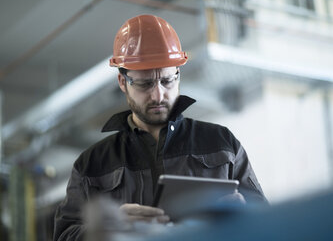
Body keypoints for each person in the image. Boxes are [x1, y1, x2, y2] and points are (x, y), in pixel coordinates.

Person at [54, 14, 267, 241]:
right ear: (122, 82)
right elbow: (63, 236)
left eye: (167, 81)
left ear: (178, 74)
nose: (158, 95)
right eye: (145, 83)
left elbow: (268, 223)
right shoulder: (92, 165)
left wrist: (243, 214)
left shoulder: (221, 143)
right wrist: (106, 230)